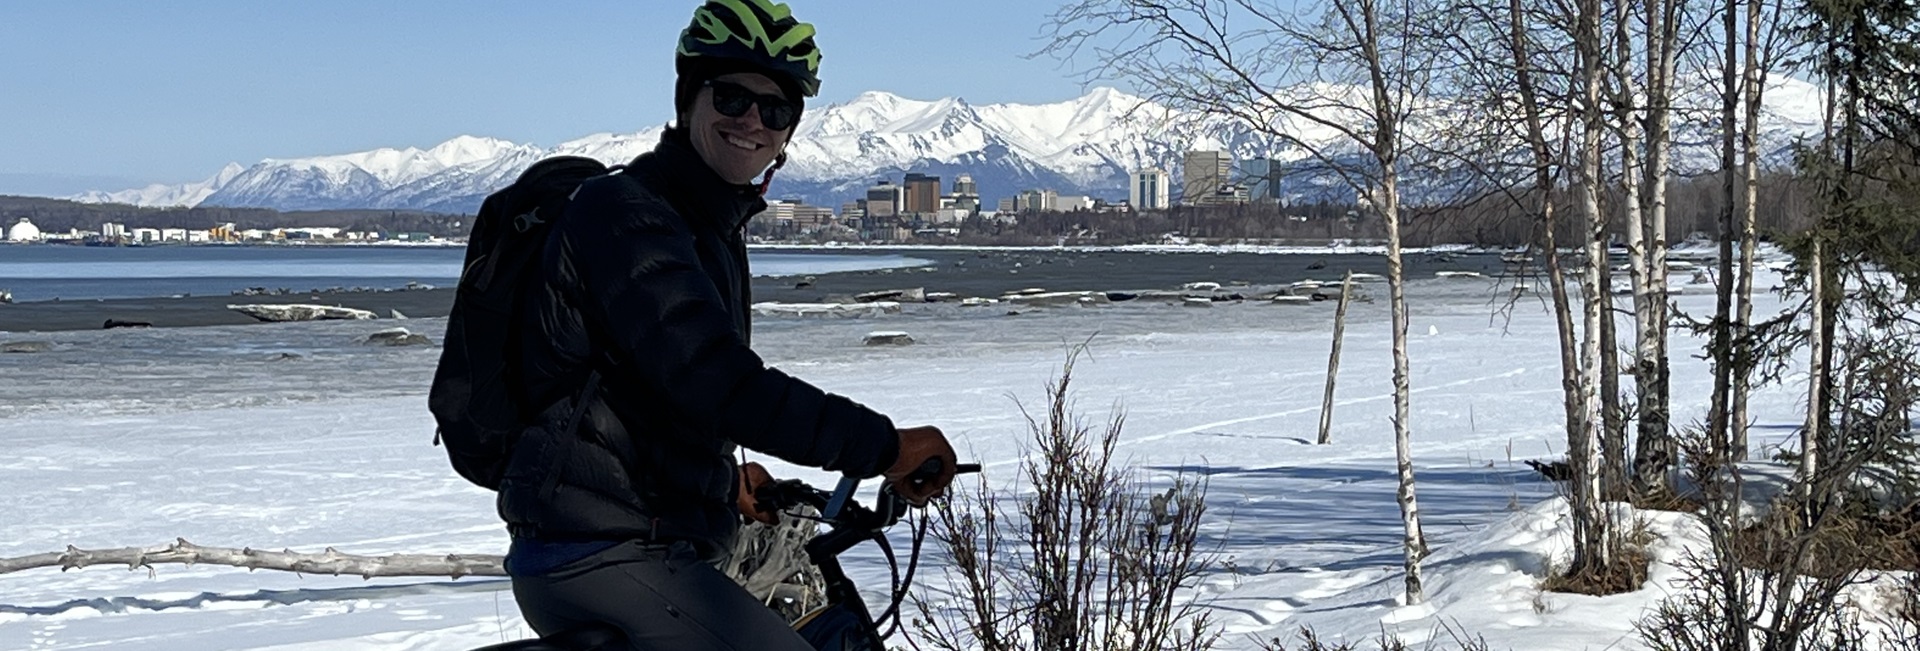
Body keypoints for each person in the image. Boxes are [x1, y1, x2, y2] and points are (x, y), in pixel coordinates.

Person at [496, 1, 958, 648]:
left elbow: (651, 389)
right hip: (595, 547)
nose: (753, 122)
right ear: (688, 101)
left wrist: (722, 481)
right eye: (732, 97)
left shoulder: (701, 219)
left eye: (776, 110)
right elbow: (714, 379)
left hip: (647, 531)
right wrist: (884, 445)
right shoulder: (630, 216)